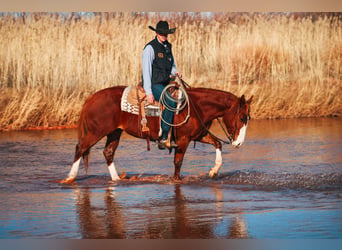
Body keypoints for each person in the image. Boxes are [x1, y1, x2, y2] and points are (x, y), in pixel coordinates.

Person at [142, 20, 182, 149]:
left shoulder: (168, 47)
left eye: (166, 34)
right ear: (157, 33)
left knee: (183, 99)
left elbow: (171, 65)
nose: (164, 36)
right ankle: (164, 136)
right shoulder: (150, 48)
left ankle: (174, 135)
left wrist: (176, 72)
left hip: (166, 82)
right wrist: (148, 92)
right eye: (162, 33)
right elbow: (146, 70)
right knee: (170, 102)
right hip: (155, 84)